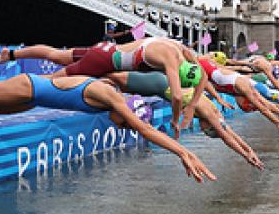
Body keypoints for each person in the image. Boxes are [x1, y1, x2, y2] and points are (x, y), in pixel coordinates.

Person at [0, 75, 217, 183]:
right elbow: (147, 131)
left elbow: (142, 129)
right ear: (128, 113)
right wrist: (183, 152)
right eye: (128, 126)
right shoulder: (112, 99)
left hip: (34, 99)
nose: (126, 129)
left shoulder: (113, 102)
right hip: (30, 87)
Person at [0, 38, 206, 139]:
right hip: (104, 62)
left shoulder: (179, 49)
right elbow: (177, 96)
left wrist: (195, 101)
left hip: (104, 48)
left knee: (55, 54)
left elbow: (203, 75)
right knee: (51, 82)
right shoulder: (171, 61)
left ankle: (9, 54)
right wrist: (177, 121)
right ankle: (10, 88)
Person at [106, 71, 264, 169]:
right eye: (207, 130)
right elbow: (226, 137)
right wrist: (245, 156)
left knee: (112, 81)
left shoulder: (217, 116)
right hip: (158, 85)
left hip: (163, 84)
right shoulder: (209, 114)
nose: (203, 130)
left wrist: (248, 150)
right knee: (109, 78)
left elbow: (230, 134)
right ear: (210, 125)